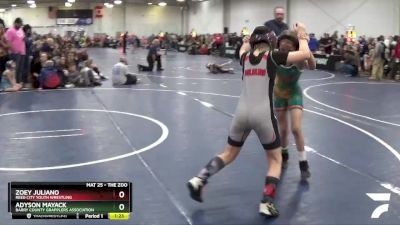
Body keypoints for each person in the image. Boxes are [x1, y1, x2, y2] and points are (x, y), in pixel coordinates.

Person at [187, 23, 312, 217]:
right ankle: (266, 203)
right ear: (272, 42)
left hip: (240, 114)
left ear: (253, 42)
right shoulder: (273, 56)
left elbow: (243, 48)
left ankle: (200, 178)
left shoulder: (244, 58)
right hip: (262, 115)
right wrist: (302, 35)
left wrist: (246, 40)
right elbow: (304, 55)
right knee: (276, 160)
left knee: (228, 153)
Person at [273, 30, 316, 180]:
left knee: (296, 128)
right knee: (283, 130)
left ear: (295, 49)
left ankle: (303, 163)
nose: (285, 52)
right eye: (282, 49)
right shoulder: (275, 56)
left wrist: (305, 42)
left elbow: (312, 66)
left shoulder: (299, 59)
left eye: (289, 49)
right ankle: (284, 155)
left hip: (293, 93)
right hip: (278, 94)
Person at [5, 18, 26, 86]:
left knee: (20, 69)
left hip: (22, 52)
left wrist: (24, 39)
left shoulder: (20, 29)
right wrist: (14, 51)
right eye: (19, 24)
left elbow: (22, 38)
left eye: (21, 24)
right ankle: (14, 84)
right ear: (15, 23)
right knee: (14, 70)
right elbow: (8, 42)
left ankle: (19, 83)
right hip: (14, 53)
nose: (20, 26)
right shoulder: (10, 31)